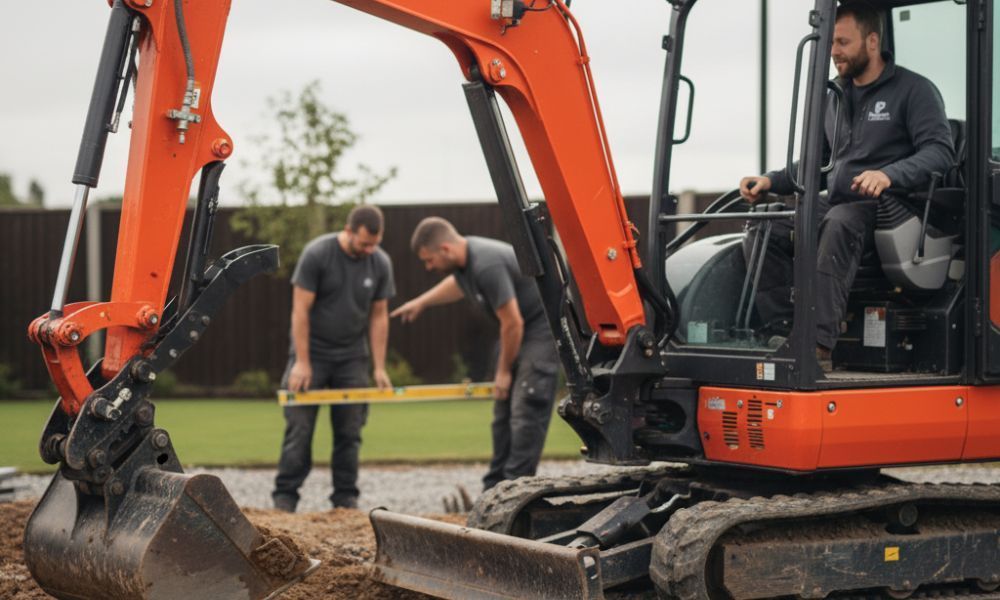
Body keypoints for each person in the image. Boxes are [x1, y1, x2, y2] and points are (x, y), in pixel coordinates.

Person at [738, 1, 954, 367]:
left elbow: (940, 152)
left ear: (872, 42)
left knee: (840, 222)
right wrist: (770, 180)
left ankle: (817, 347)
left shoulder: (914, 91)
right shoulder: (834, 98)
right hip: (840, 202)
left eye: (842, 42)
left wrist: (889, 174)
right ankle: (783, 329)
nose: (834, 52)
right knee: (765, 225)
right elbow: (814, 166)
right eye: (830, 43)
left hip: (893, 209)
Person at [391, 217, 559, 490]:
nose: (428, 267)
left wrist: (503, 371)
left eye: (429, 260)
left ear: (445, 249)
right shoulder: (466, 264)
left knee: (525, 409)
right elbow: (457, 285)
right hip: (518, 332)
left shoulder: (486, 264)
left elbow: (513, 322)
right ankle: (493, 489)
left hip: (539, 331)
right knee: (502, 414)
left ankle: (516, 491)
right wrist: (421, 302)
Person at [272, 205, 395, 512]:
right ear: (349, 230)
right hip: (311, 354)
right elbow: (299, 311)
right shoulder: (318, 254)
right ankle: (285, 498)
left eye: (375, 244)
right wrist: (302, 361)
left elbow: (379, 317)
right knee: (299, 430)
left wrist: (379, 367)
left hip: (352, 358)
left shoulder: (379, 262)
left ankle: (345, 499)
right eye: (364, 243)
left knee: (350, 431)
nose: (369, 249)